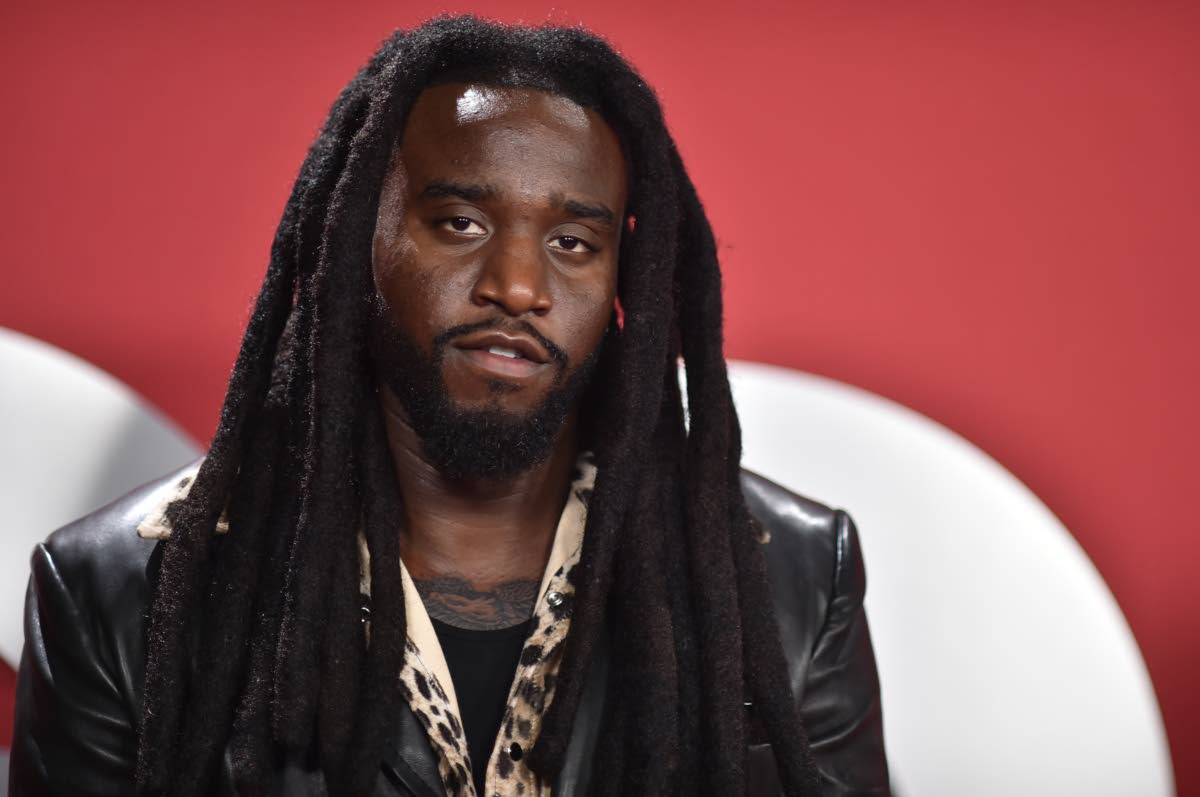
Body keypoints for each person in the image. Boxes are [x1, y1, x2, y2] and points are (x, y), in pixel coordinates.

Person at [9, 15, 889, 797]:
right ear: (358, 237)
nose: (518, 286)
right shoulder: (115, 590)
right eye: (461, 223)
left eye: (573, 242)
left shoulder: (794, 580)